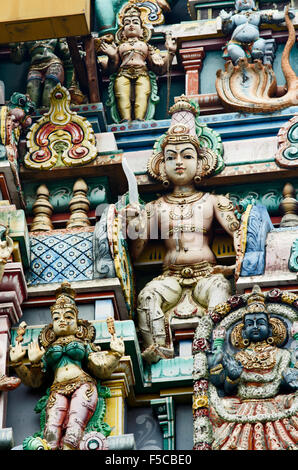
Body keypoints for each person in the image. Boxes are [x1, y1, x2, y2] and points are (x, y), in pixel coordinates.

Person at [123, 124, 241, 363]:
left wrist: (232, 268)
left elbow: (240, 235)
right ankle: (158, 348)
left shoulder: (213, 202)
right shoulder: (154, 207)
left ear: (199, 163)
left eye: (187, 156)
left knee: (220, 289)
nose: (178, 162)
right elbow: (134, 254)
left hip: (207, 274)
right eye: (170, 157)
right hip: (170, 276)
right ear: (161, 166)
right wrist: (134, 225)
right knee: (147, 295)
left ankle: (214, 345)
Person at [9, 282, 124, 450]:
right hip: (57, 389)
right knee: (51, 435)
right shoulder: (47, 351)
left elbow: (101, 368)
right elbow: (35, 381)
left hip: (83, 385)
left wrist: (115, 354)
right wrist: (21, 363)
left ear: (78, 323)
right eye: (57, 318)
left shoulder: (83, 344)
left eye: (68, 317)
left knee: (74, 428)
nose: (62, 321)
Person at [207, 285, 298, 450]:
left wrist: (287, 380)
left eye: (260, 323)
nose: (255, 326)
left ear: (271, 329)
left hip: (275, 404)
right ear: (242, 332)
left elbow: (283, 380)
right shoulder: (238, 357)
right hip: (244, 406)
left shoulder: (282, 354)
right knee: (220, 407)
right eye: (249, 324)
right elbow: (227, 387)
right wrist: (233, 377)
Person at [97, 5, 176, 122]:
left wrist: (171, 52)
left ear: (142, 31)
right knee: (121, 95)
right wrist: (112, 56)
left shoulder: (146, 46)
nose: (131, 25)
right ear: (122, 32)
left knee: (143, 95)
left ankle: (140, 118)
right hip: (123, 73)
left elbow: (159, 69)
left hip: (142, 73)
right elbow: (111, 69)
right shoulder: (120, 47)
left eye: (135, 22)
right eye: (127, 23)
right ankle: (125, 118)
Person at [220, 0, 295, 65]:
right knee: (232, 48)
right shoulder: (235, 17)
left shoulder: (257, 15)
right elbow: (226, 30)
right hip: (236, 42)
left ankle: (256, 56)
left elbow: (271, 18)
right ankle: (241, 61)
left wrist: (285, 15)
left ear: (253, 3)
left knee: (261, 43)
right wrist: (225, 20)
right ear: (236, 5)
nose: (245, 1)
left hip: (255, 41)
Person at [10, 39, 72, 108]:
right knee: (31, 87)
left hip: (52, 62)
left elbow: (65, 51)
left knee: (50, 84)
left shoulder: (55, 31)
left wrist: (65, 44)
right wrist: (14, 47)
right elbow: (17, 59)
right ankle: (32, 114)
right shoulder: (26, 35)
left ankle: (48, 112)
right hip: (35, 65)